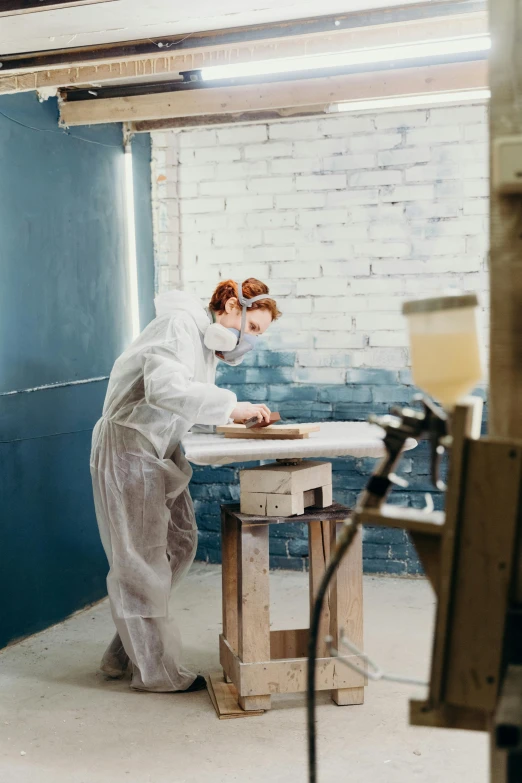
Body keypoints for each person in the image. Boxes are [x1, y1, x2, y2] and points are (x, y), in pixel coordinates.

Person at [90, 279, 281, 693]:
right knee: (139, 562)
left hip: (158, 447)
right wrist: (232, 406)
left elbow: (189, 401)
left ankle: (124, 652)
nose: (251, 342)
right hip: (130, 444)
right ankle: (155, 673)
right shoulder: (179, 324)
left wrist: (235, 416)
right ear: (232, 306)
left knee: (180, 543)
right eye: (254, 330)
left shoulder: (202, 343)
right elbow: (165, 389)